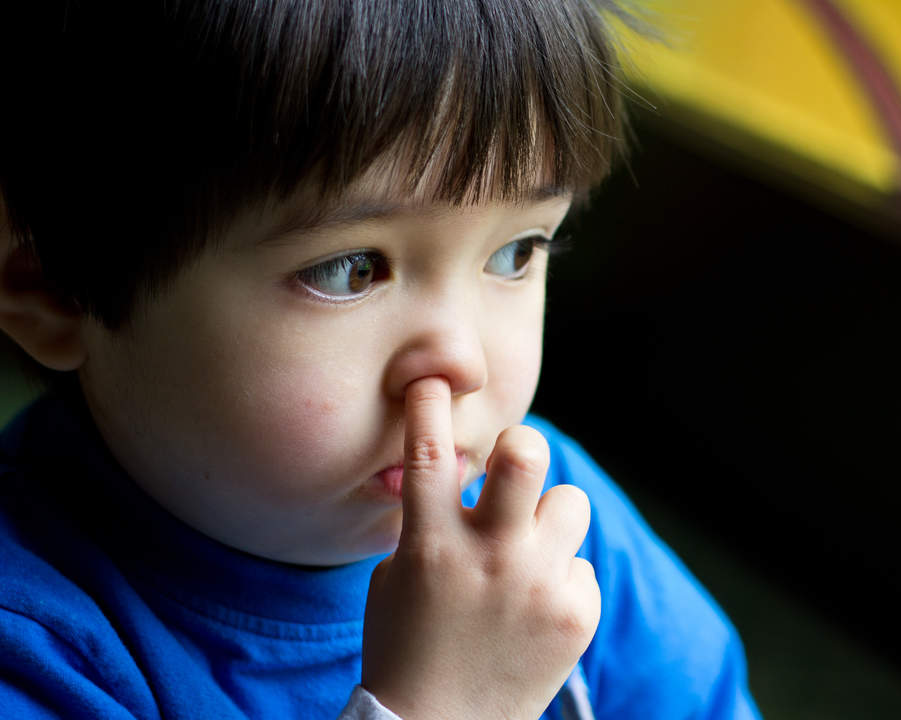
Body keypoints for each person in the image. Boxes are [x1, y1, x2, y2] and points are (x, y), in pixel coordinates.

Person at [0, 2, 761, 718]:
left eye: (515, 251)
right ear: (53, 290)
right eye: (350, 270)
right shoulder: (39, 648)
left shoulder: (550, 519)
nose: (461, 362)